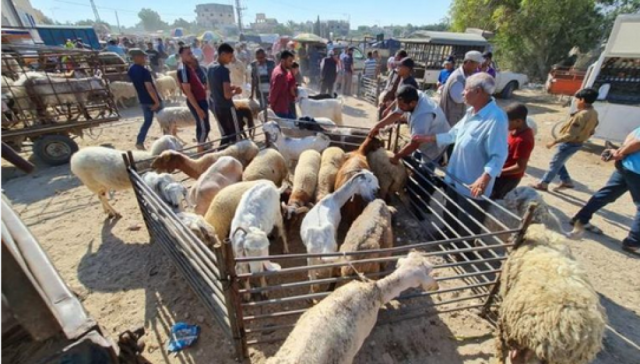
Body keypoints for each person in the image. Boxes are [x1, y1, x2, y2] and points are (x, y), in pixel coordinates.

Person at [413, 73, 508, 233]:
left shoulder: (496, 120)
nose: (463, 93)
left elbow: (499, 155)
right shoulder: (471, 112)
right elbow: (453, 134)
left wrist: (484, 179)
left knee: (467, 222)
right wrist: (428, 138)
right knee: (450, 213)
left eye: (466, 89)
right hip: (455, 176)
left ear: (478, 91)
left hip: (471, 185)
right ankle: (448, 236)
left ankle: (462, 252)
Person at [568, 127, 640, 253]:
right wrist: (620, 153)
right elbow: (637, 142)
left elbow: (634, 135)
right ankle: (633, 242)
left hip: (626, 164)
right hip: (637, 170)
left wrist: (620, 152)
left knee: (608, 193)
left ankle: (581, 219)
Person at [531, 88, 600, 191]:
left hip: (569, 143)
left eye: (577, 100)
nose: (576, 102)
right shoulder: (593, 113)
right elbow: (594, 126)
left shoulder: (581, 115)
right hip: (578, 143)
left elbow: (571, 135)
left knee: (554, 163)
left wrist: (554, 142)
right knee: (559, 162)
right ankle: (566, 181)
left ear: (582, 100)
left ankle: (544, 183)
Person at [369, 85, 450, 165]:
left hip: (436, 143)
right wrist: (377, 126)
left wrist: (397, 157)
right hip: (425, 135)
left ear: (412, 103)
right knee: (415, 159)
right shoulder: (413, 94)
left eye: (402, 106)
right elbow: (396, 114)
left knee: (424, 170)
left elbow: (414, 143)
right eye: (399, 105)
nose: (400, 108)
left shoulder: (423, 116)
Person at [491, 103, 535, 199]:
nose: (504, 124)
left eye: (507, 122)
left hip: (507, 179)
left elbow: (520, 167)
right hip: (501, 173)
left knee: (495, 199)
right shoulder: (513, 131)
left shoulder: (523, 140)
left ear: (519, 121)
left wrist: (497, 172)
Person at [208, 43, 244, 148]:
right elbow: (227, 95)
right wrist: (236, 92)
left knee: (226, 135)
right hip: (227, 107)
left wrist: (231, 87)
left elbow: (212, 87)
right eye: (230, 56)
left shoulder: (210, 67)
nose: (231, 59)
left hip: (217, 106)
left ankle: (221, 154)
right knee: (235, 135)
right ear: (223, 54)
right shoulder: (224, 70)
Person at [127, 49, 162, 150]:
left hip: (143, 100)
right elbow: (149, 88)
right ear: (136, 57)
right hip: (151, 100)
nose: (144, 58)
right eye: (142, 56)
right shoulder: (144, 71)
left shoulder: (131, 70)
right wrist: (156, 102)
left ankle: (139, 141)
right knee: (166, 119)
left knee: (147, 121)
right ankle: (168, 141)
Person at [177, 45, 210, 151]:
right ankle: (200, 149)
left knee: (203, 126)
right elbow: (187, 91)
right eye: (188, 54)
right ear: (181, 55)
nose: (191, 55)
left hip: (201, 100)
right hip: (197, 101)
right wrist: (198, 108)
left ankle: (201, 146)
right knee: (205, 127)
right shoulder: (183, 70)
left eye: (191, 53)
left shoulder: (188, 67)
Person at [439, 50, 483, 127]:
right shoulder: (458, 78)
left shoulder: (465, 75)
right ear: (469, 62)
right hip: (450, 120)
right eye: (476, 65)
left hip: (455, 118)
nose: (476, 68)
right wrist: (474, 95)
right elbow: (458, 99)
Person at [378, 49, 408, 119]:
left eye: (396, 57)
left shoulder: (396, 72)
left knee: (384, 115)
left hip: (393, 100)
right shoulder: (407, 74)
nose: (394, 58)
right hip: (399, 101)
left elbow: (391, 88)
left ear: (400, 58)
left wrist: (384, 100)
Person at [269, 50, 295, 118]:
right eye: (290, 61)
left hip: (284, 106)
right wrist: (271, 105)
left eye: (292, 61)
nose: (291, 63)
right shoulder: (280, 75)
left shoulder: (278, 70)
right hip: (280, 109)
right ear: (283, 61)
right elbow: (274, 92)